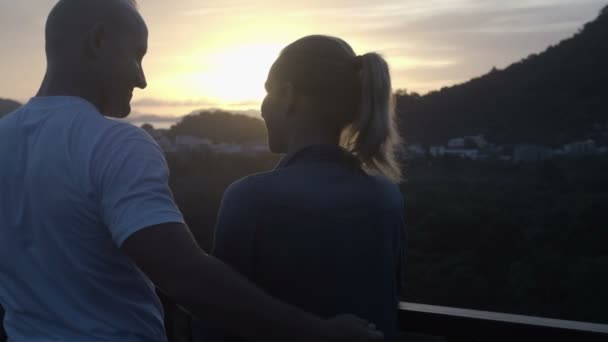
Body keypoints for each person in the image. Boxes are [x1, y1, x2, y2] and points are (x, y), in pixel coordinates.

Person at [0, 1, 384, 341]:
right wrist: (320, 333)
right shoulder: (113, 143)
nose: (142, 78)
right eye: (138, 54)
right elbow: (184, 276)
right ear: (98, 41)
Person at [209, 35, 406, 342]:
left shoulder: (249, 198)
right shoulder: (386, 195)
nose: (261, 108)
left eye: (267, 92)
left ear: (288, 96)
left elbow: (221, 316)